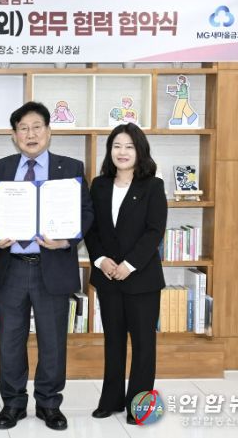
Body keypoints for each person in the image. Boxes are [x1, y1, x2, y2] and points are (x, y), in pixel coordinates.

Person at [0, 101, 94, 431]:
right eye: (23, 128)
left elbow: (86, 212)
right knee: (10, 341)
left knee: (53, 341)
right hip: (13, 266)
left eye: (36, 127)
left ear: (48, 131)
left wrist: (66, 241)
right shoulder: (1, 168)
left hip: (53, 265)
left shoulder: (70, 167)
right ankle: (13, 403)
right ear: (14, 135)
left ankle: (49, 403)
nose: (30, 134)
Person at [84, 122, 167, 425]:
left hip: (141, 279)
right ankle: (110, 400)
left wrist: (129, 265)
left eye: (129, 147)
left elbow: (154, 231)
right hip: (108, 277)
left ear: (140, 151)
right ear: (110, 151)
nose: (122, 152)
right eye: (117, 146)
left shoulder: (152, 186)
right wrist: (101, 260)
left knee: (143, 345)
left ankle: (138, 406)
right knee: (113, 341)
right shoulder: (99, 185)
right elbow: (91, 229)